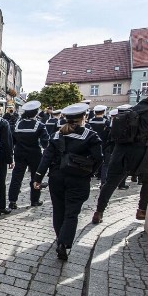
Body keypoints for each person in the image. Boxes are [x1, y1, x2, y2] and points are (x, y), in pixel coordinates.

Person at [34, 103, 104, 260]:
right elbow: (99, 158)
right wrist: (90, 172)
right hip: (78, 178)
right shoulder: (90, 135)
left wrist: (38, 177)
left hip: (56, 178)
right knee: (72, 212)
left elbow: (46, 158)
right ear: (83, 118)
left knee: (58, 210)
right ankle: (63, 244)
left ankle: (60, 239)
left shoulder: (58, 135)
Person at [92, 94, 148, 224]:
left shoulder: (130, 110)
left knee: (110, 182)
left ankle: (99, 212)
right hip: (142, 153)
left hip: (119, 152)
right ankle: (142, 210)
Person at [8, 100, 49, 209]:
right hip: (34, 154)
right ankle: (35, 200)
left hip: (19, 153)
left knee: (16, 177)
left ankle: (12, 200)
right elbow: (45, 142)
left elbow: (13, 140)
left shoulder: (18, 124)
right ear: (36, 113)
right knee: (35, 177)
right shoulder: (39, 125)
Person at [86, 105, 110, 183]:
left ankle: (91, 172)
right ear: (103, 112)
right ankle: (100, 174)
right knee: (101, 158)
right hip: (103, 142)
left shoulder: (90, 120)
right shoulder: (106, 121)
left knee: (91, 157)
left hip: (91, 141)